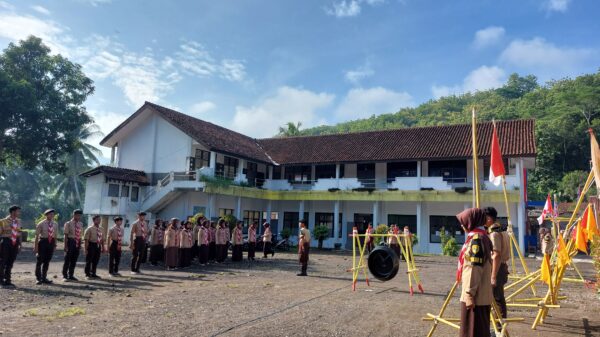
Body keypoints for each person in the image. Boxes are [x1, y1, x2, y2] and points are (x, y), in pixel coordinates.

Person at [456, 208, 493, 337]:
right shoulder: (482, 236)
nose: (462, 225)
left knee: (472, 331)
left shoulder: (476, 239)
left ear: (471, 222)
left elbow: (474, 268)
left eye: (464, 222)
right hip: (480, 295)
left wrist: (469, 294)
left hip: (475, 298)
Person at [484, 207, 510, 319]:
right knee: (498, 298)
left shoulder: (494, 234)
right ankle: (499, 327)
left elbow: (496, 255)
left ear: (489, 219)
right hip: (502, 266)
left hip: (497, 268)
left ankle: (499, 329)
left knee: (497, 299)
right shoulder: (502, 231)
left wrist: (493, 276)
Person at [34, 209, 57, 285]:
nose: (52, 215)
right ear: (46, 215)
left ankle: (44, 277)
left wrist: (55, 245)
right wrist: (36, 247)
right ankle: (38, 278)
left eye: (53, 214)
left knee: (47, 261)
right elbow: (36, 236)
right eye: (50, 214)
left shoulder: (55, 224)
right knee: (40, 260)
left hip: (51, 242)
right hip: (43, 242)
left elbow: (55, 235)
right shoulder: (41, 223)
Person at [0, 205, 22, 287]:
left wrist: (20, 244)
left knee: (11, 261)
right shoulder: (3, 221)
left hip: (15, 242)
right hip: (6, 241)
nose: (19, 213)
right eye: (18, 211)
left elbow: (19, 233)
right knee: (3, 261)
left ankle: (8, 279)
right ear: (13, 212)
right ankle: (1, 280)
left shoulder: (18, 221)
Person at [62, 209, 83, 282]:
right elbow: (65, 235)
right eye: (77, 215)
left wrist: (79, 244)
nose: (78, 217)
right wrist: (65, 246)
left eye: (80, 215)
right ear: (73, 215)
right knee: (67, 259)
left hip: (77, 242)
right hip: (70, 241)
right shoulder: (68, 223)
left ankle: (71, 275)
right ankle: (65, 275)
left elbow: (80, 234)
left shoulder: (80, 224)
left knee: (74, 259)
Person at [84, 215, 104, 279]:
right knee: (89, 260)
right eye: (97, 219)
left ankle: (93, 273)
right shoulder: (89, 229)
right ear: (94, 220)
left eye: (100, 219)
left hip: (98, 245)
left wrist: (103, 247)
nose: (99, 221)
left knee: (96, 260)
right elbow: (86, 239)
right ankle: (87, 274)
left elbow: (102, 239)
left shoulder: (101, 229)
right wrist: (86, 249)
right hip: (91, 245)